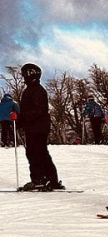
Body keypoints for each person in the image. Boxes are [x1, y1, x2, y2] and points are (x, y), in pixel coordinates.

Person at [18, 63, 63, 191]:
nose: (24, 77)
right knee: (40, 152)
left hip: (38, 127)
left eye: (25, 74)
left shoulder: (37, 90)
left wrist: (24, 118)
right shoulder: (30, 90)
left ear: (31, 74)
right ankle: (50, 179)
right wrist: (19, 120)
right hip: (35, 126)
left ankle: (40, 179)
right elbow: (28, 110)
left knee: (35, 152)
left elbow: (39, 110)